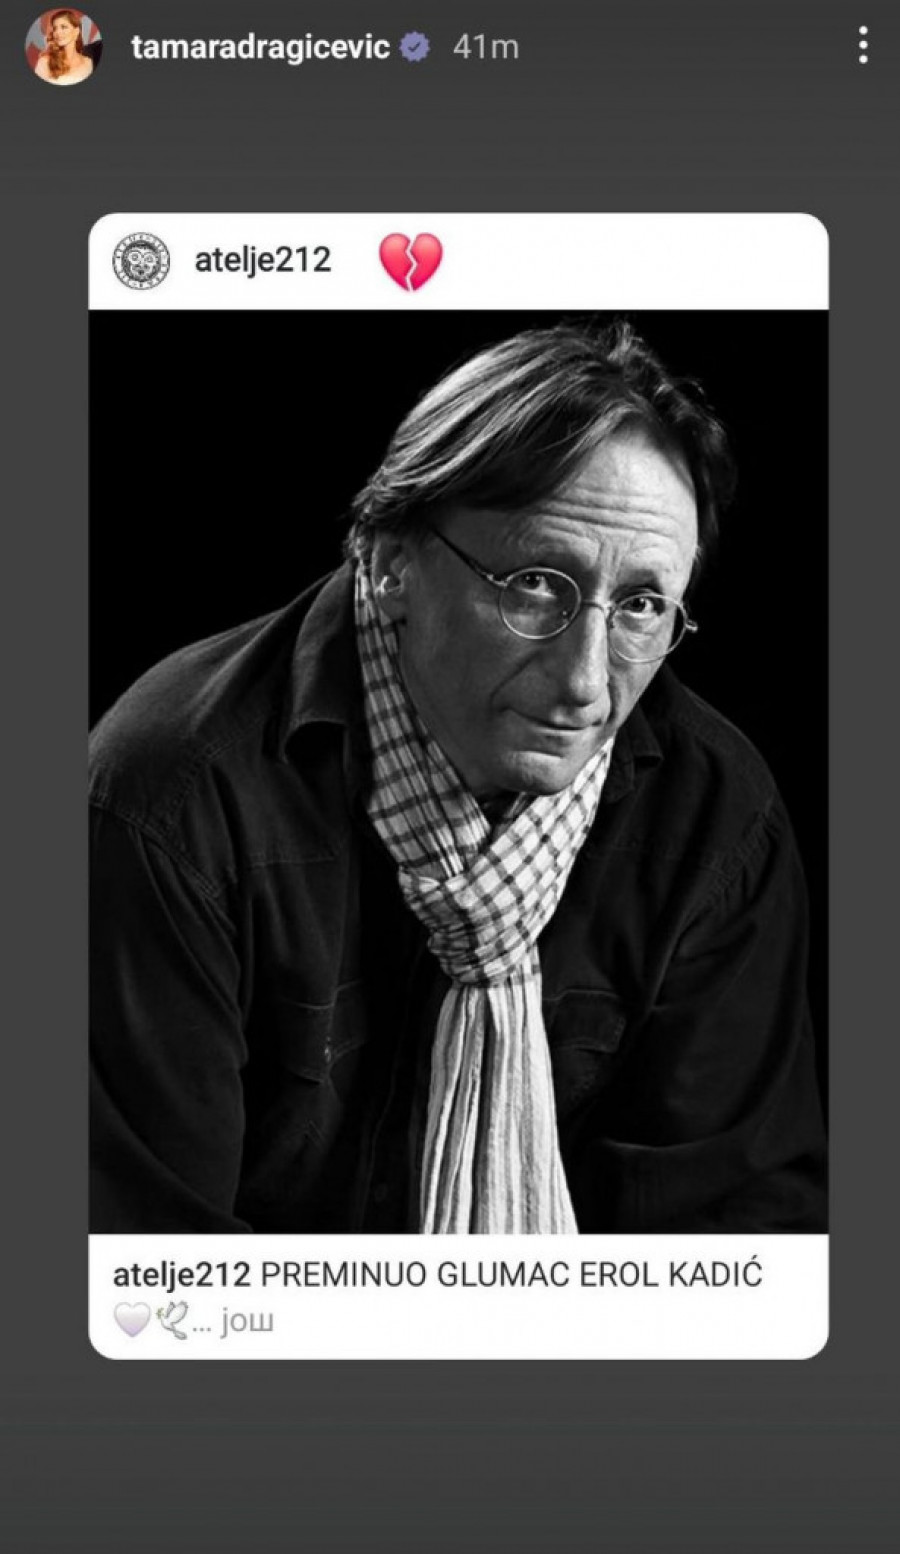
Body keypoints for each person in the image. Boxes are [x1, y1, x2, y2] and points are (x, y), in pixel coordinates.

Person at [90, 320, 826, 1235]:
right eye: (535, 584)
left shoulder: (714, 815)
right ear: (390, 560)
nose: (586, 683)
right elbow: (148, 1265)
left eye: (641, 605)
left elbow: (736, 1240)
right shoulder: (172, 798)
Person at [33, 10, 93, 85]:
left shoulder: (88, 63)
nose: (58, 32)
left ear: (76, 31)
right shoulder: (44, 62)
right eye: (55, 28)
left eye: (63, 27)